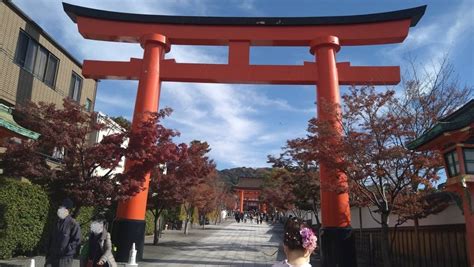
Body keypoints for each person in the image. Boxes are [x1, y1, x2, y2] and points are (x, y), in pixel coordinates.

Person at [45, 199, 81, 267]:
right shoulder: (56, 222)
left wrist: (66, 251)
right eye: (60, 207)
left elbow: (76, 241)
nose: (59, 209)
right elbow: (51, 237)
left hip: (64, 259)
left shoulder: (73, 224)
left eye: (62, 208)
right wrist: (48, 252)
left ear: (68, 210)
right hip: (52, 256)